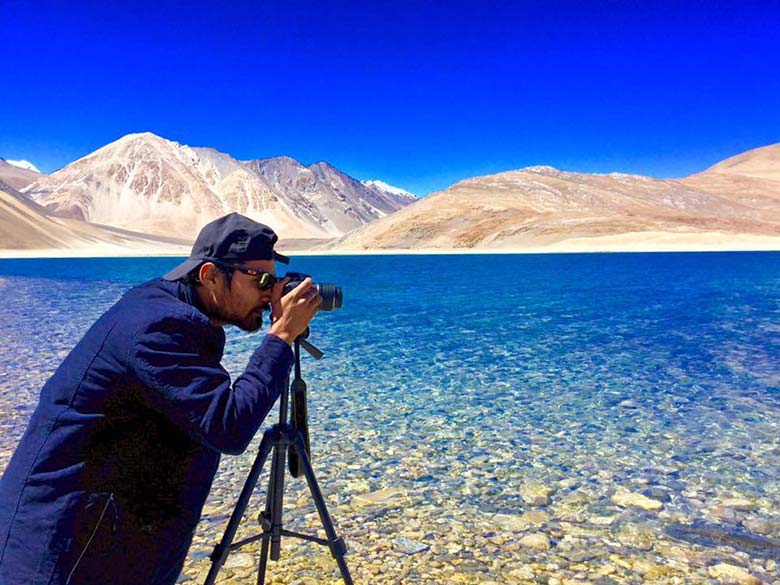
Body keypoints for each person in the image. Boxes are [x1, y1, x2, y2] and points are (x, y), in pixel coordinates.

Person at [0, 213, 320, 584]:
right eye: (261, 280)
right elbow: (228, 426)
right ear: (210, 276)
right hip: (67, 551)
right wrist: (280, 337)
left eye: (274, 280)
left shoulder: (163, 307)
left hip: (107, 539)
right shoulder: (157, 327)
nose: (270, 294)